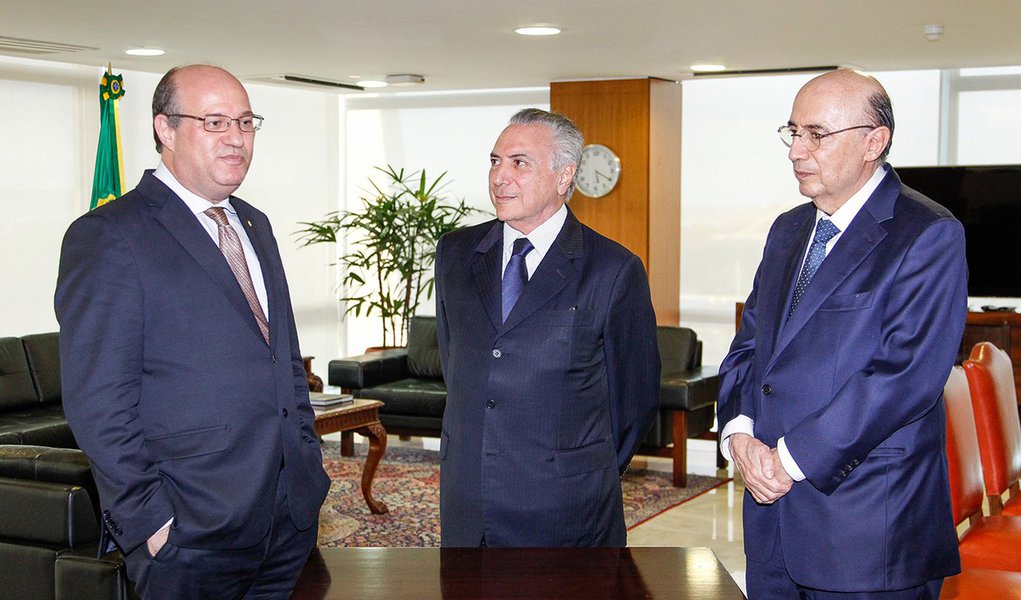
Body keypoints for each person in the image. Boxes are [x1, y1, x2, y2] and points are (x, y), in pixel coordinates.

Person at [55, 65, 330, 599]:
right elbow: (97, 401)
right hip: (188, 528)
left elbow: (284, 360)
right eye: (215, 122)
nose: (236, 138)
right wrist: (149, 521)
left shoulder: (255, 224)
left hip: (286, 519)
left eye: (246, 122)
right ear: (165, 128)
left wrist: (307, 466)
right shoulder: (110, 236)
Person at [717, 69, 967, 598]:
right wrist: (738, 433)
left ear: (874, 141)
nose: (795, 151)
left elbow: (904, 378)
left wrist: (787, 460)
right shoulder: (788, 229)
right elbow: (751, 344)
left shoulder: (927, 233)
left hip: (868, 532)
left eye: (816, 135)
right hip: (772, 529)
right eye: (792, 133)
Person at [434, 108, 661, 547]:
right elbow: (456, 361)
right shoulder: (456, 254)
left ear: (564, 177)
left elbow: (634, 400)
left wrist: (580, 468)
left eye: (519, 163)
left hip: (566, 509)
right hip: (467, 501)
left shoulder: (612, 269)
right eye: (495, 161)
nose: (500, 177)